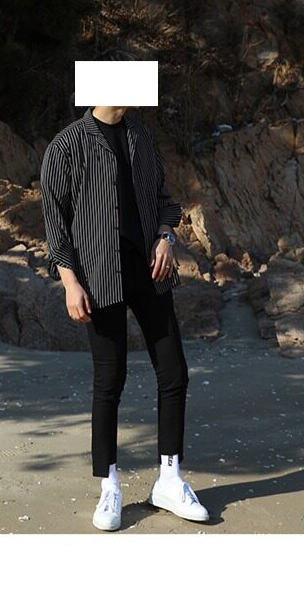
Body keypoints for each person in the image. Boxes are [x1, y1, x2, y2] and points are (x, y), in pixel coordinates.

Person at [40, 104, 209, 531]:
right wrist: (70, 283)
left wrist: (166, 238)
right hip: (99, 278)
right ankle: (109, 485)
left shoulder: (142, 138)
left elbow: (165, 203)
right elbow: (56, 226)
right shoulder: (66, 146)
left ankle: (169, 480)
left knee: (174, 371)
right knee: (109, 379)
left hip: (151, 273)